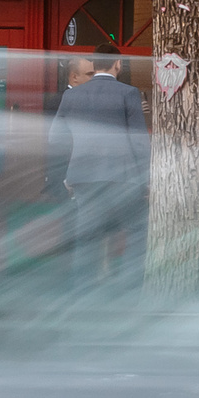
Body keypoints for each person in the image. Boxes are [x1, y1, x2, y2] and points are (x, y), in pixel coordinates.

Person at [48, 44, 150, 283]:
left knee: (87, 236)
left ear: (94, 65)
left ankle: (83, 291)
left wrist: (70, 169)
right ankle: (128, 289)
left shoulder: (72, 95)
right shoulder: (128, 93)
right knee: (136, 231)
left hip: (83, 177)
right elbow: (139, 143)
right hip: (123, 179)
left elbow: (55, 137)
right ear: (118, 64)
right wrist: (146, 179)